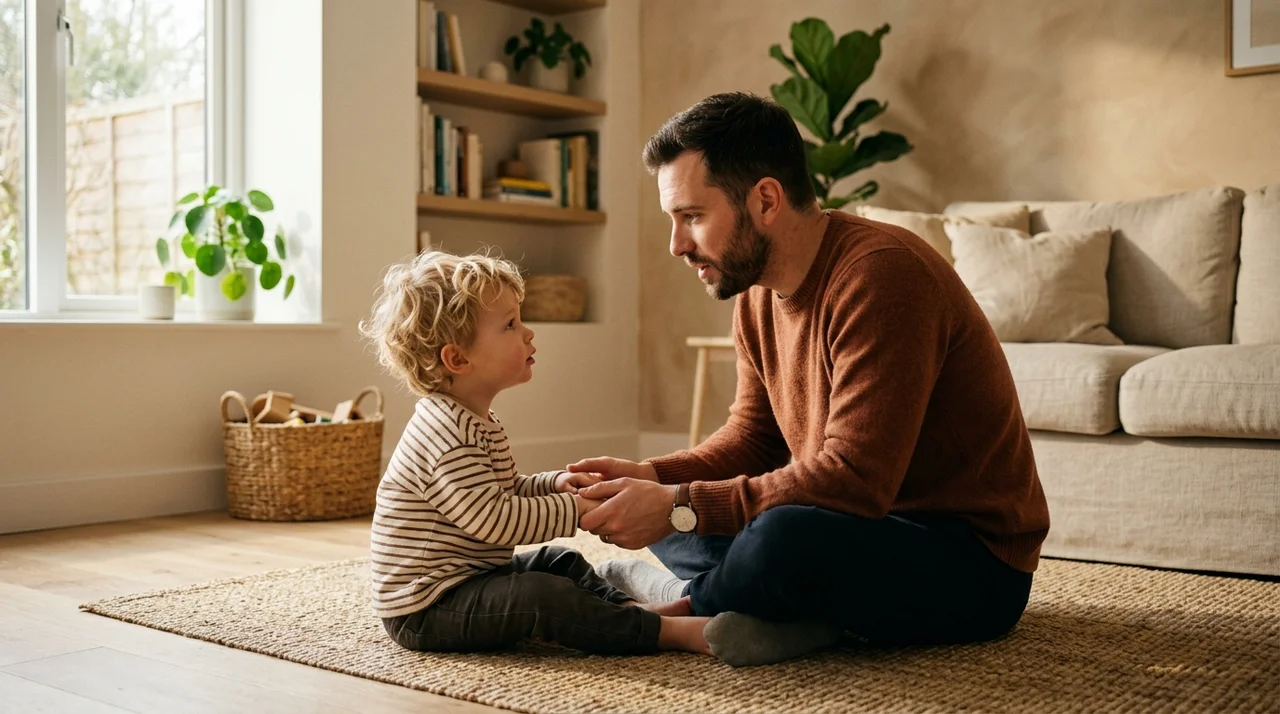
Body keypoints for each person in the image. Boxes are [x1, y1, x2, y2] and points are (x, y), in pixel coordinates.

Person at [568, 92, 1051, 667]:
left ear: (766, 200)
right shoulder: (755, 295)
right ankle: (777, 614)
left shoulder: (882, 275)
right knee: (673, 514)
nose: (677, 245)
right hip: (851, 530)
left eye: (692, 217)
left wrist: (679, 503)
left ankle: (680, 609)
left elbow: (855, 480)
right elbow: (754, 440)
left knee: (775, 539)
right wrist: (650, 478)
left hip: (968, 561)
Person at [359, 250, 710, 656]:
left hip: (469, 578)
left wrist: (555, 484)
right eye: (510, 325)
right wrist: (574, 508)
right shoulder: (444, 435)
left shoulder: (474, 420)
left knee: (559, 561)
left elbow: (506, 490)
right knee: (540, 596)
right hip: (427, 608)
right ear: (457, 358)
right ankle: (660, 632)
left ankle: (626, 611)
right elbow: (495, 520)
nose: (528, 333)